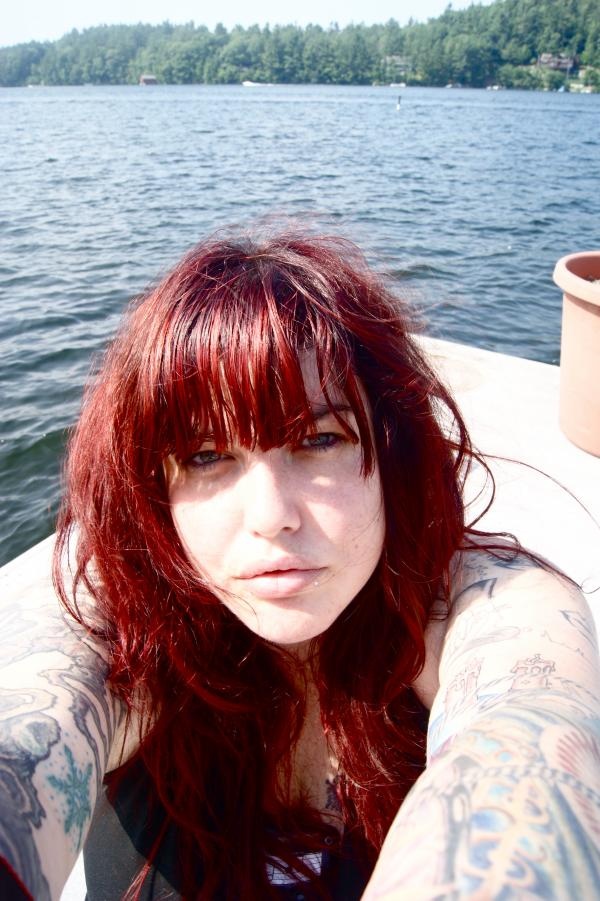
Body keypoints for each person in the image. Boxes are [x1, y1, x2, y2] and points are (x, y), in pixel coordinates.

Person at [1, 228, 599, 901]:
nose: (270, 513)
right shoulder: (123, 620)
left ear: (392, 455)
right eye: (205, 455)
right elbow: (26, 733)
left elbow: (529, 739)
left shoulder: (489, 602)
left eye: (318, 439)